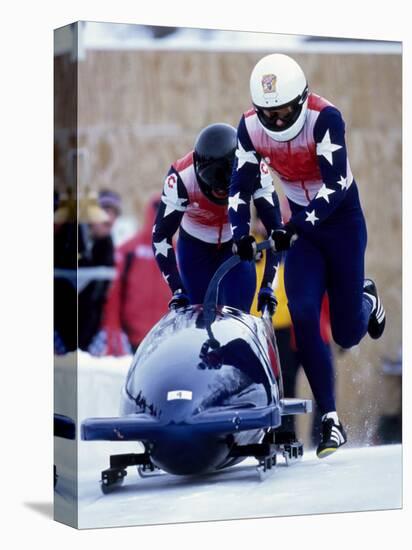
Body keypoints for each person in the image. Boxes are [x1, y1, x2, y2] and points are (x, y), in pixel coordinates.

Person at [229, 53, 386, 458]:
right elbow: (239, 185)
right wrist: (238, 233)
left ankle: (365, 299)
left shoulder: (325, 117)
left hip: (341, 222)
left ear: (301, 100)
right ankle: (331, 419)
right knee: (300, 312)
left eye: (284, 111)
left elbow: (334, 185)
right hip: (304, 228)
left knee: (348, 333)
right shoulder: (249, 127)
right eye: (269, 113)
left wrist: (300, 221)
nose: (277, 122)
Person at [152, 122, 282, 313]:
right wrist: (177, 289)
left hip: (235, 243)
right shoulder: (181, 177)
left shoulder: (254, 169)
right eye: (216, 188)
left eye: (227, 189)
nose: (222, 193)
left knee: (237, 317)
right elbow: (160, 236)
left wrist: (268, 285)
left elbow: (276, 231)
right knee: (199, 318)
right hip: (195, 247)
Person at [89, 195, 171, 356]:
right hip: (130, 340)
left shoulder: (180, 253)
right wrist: (113, 327)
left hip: (166, 342)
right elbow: (113, 295)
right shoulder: (128, 250)